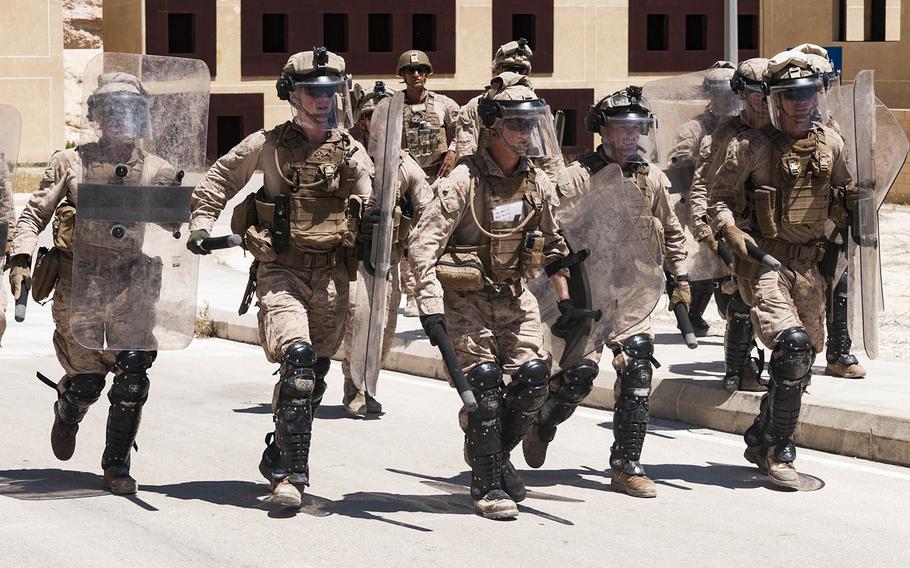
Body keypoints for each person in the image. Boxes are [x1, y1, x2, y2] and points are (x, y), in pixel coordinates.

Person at [186, 48, 373, 508]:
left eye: (330, 92)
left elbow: (375, 209)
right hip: (281, 272)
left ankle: (277, 451)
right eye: (313, 92)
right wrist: (200, 226)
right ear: (292, 95)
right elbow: (217, 182)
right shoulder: (266, 145)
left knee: (314, 377)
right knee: (300, 362)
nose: (323, 101)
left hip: (333, 277)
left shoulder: (352, 152)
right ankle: (291, 476)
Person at [8, 70, 182, 495]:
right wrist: (20, 257)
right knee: (88, 381)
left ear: (141, 118)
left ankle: (116, 465)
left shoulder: (157, 170)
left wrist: (180, 209)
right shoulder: (70, 163)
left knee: (133, 375)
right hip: (78, 286)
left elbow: (177, 223)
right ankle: (69, 409)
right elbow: (33, 215)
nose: (121, 119)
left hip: (130, 287)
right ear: (98, 116)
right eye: (112, 110)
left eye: (130, 111)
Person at [409, 77, 570, 519]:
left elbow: (554, 245)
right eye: (517, 124)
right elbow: (421, 248)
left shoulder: (536, 182)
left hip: (515, 297)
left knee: (535, 379)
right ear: (493, 127)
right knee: (485, 391)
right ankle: (487, 487)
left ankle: (492, 456)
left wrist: (568, 302)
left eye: (531, 124)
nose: (526, 133)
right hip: (466, 302)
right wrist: (428, 310)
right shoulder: (463, 180)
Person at [525, 86, 689, 499]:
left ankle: (626, 465)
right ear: (603, 130)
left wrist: (681, 278)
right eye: (622, 127)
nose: (632, 135)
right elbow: (553, 234)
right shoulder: (578, 176)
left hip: (633, 291)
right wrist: (560, 293)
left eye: (638, 127)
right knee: (579, 376)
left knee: (637, 370)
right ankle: (542, 423)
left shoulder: (650, 177)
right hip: (587, 292)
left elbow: (670, 231)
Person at [708, 50, 856, 488]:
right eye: (792, 95)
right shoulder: (751, 147)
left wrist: (854, 211)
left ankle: (761, 434)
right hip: (765, 263)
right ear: (775, 100)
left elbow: (845, 190)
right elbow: (718, 198)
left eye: (809, 93)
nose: (802, 102)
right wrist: (729, 230)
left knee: (802, 361)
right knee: (790, 347)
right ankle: (780, 449)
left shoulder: (831, 143)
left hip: (809, 266)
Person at [340, 82, 431, 416]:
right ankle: (355, 386)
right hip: (350, 258)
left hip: (388, 259)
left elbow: (428, 210)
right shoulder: (347, 155)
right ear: (363, 121)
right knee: (357, 323)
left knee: (385, 330)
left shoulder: (404, 164)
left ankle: (368, 381)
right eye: (370, 116)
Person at [689, 58, 771, 392]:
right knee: (741, 299)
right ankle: (738, 369)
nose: (763, 101)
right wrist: (707, 232)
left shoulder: (784, 133)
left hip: (782, 230)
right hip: (738, 230)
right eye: (756, 94)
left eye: (769, 94)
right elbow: (701, 189)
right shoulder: (724, 136)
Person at [668, 61, 739, 336]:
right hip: (700, 203)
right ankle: (726, 312)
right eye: (720, 93)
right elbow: (679, 175)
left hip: (731, 203)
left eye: (731, 93)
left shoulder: (741, 126)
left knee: (714, 261)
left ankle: (697, 314)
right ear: (710, 95)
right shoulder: (693, 130)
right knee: (715, 259)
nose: (726, 99)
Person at [455, 39, 564, 185]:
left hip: (526, 184)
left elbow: (551, 162)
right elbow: (466, 159)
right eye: (510, 69)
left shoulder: (536, 108)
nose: (516, 75)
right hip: (486, 185)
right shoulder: (475, 107)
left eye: (522, 71)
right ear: (497, 71)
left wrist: (549, 193)